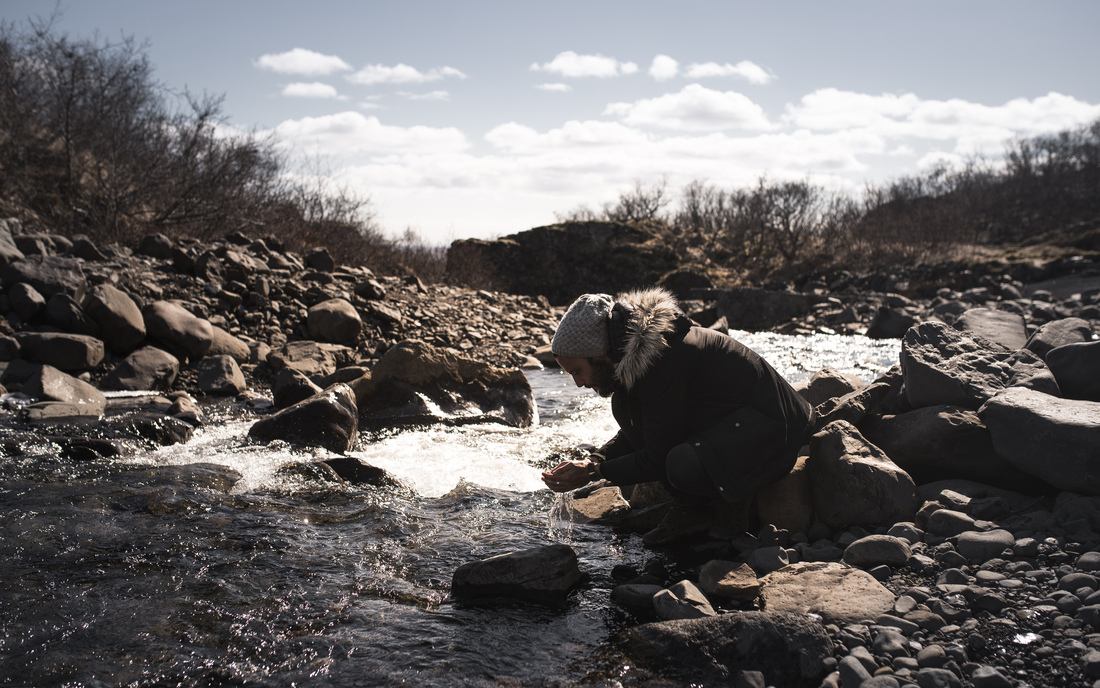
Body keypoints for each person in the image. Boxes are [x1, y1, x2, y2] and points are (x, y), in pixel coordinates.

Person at [541, 287, 813, 540]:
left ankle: (722, 515)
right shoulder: (641, 361)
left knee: (682, 463)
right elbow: (649, 427)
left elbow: (657, 458)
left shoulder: (666, 360)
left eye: (577, 371)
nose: (578, 383)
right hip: (740, 419)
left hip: (781, 426)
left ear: (599, 353)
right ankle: (697, 505)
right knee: (624, 407)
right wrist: (594, 461)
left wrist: (595, 472)